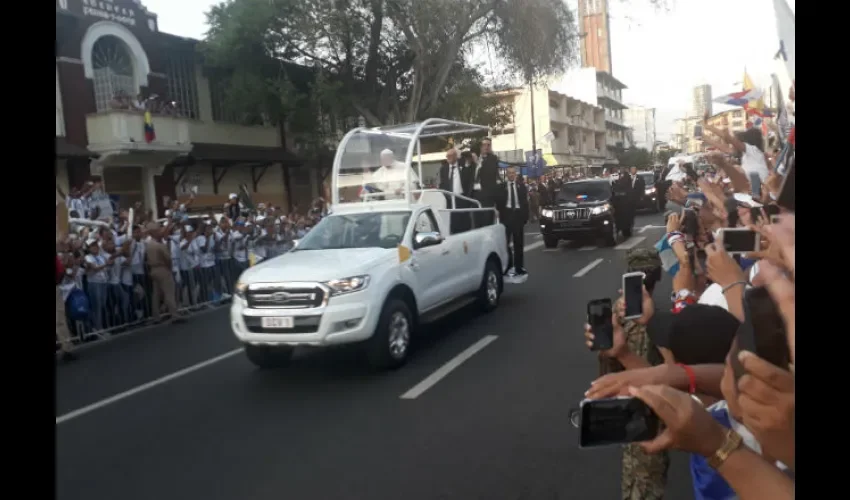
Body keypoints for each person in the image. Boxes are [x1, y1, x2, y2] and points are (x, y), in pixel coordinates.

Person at [145, 223, 181, 324]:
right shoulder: (160, 246)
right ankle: (174, 314)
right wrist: (169, 269)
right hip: (162, 269)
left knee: (155, 294)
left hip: (153, 269)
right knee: (169, 292)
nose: (161, 232)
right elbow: (168, 259)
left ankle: (156, 316)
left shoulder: (149, 245)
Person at [499, 167, 528, 277]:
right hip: (506, 216)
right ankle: (507, 265)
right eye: (509, 173)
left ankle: (519, 267)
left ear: (515, 174)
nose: (511, 175)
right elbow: (499, 201)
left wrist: (525, 217)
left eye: (513, 173)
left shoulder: (521, 187)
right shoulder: (502, 187)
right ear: (507, 175)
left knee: (519, 244)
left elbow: (525, 203)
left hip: (518, 216)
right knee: (505, 243)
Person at [473, 138, 500, 207]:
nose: (486, 147)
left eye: (488, 145)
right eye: (484, 145)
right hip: (475, 194)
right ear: (480, 147)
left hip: (487, 194)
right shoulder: (474, 158)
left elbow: (490, 172)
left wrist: (479, 164)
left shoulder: (493, 158)